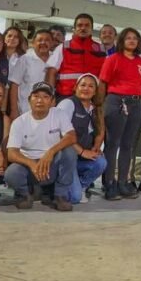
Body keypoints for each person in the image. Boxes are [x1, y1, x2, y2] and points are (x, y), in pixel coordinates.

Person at [5, 82, 78, 211]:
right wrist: (32, 164)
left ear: (52, 101)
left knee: (69, 152)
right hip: (29, 166)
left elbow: (71, 137)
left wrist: (50, 153)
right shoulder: (19, 122)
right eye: (36, 96)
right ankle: (24, 195)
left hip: (51, 164)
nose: (40, 100)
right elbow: (11, 153)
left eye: (45, 97)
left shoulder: (59, 114)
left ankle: (60, 196)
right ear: (29, 100)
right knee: (11, 173)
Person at [98, 27, 141, 200]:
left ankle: (123, 183)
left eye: (135, 38)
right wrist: (100, 106)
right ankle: (109, 183)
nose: (132, 41)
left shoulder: (140, 61)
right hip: (116, 101)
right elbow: (103, 83)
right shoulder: (112, 59)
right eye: (128, 38)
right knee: (112, 144)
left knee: (128, 145)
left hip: (136, 102)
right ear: (122, 41)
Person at [55, 73, 107, 203]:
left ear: (95, 91)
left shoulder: (94, 109)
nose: (86, 88)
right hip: (64, 158)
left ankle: (81, 186)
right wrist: (83, 152)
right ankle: (57, 186)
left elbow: (100, 131)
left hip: (78, 159)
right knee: (74, 198)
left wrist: (95, 148)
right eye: (83, 85)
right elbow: (62, 135)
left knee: (100, 161)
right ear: (75, 88)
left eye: (91, 86)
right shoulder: (68, 104)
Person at [47, 13, 106, 98]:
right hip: (66, 95)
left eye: (87, 25)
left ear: (91, 29)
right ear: (74, 29)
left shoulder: (101, 49)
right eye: (80, 25)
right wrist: (50, 96)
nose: (83, 28)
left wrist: (100, 99)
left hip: (92, 98)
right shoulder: (63, 47)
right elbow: (51, 72)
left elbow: (104, 77)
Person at [9, 29, 58, 119]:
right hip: (25, 111)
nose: (43, 42)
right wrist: (14, 110)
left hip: (48, 112)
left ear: (52, 43)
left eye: (47, 40)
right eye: (40, 40)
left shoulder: (55, 58)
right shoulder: (25, 59)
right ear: (33, 43)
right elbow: (14, 85)